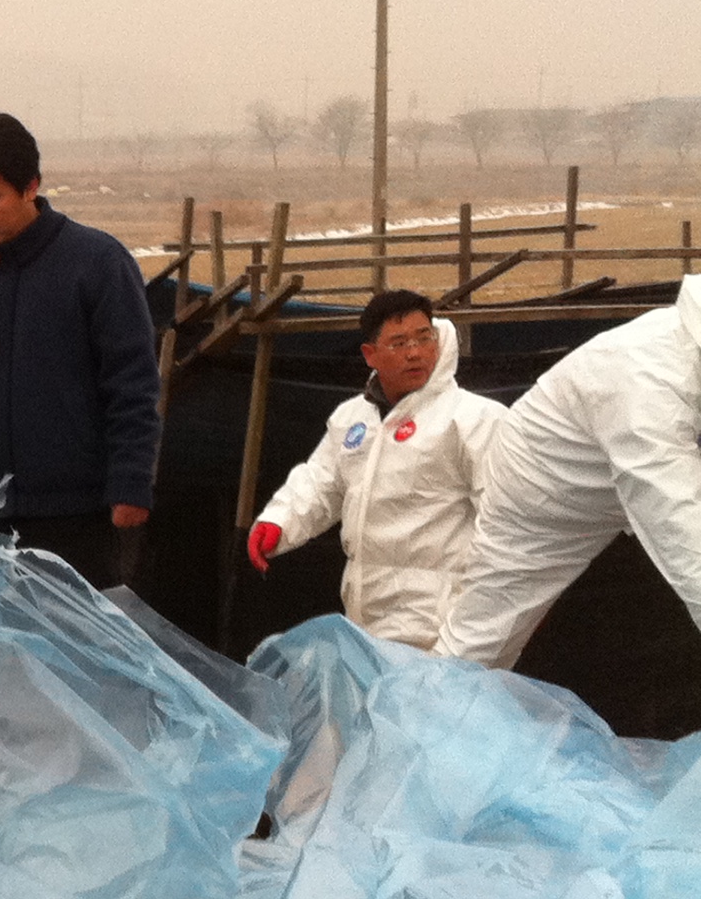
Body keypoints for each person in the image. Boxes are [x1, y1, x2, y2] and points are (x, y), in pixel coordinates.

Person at [0, 112, 162, 588]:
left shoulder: (97, 264)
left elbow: (133, 384)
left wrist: (130, 484)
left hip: (76, 514)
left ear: (30, 186)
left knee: (74, 635)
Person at [435, 272, 701, 668]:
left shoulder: (682, 348)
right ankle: (423, 701)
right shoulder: (646, 380)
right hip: (542, 489)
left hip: (617, 468)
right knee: (483, 637)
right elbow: (679, 523)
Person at [248, 292, 506, 652]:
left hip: (445, 625)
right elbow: (322, 482)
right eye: (399, 343)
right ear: (370, 354)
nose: (415, 352)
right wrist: (280, 521)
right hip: (366, 618)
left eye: (424, 338)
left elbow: (506, 515)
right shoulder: (352, 418)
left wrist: (497, 610)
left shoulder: (475, 418)